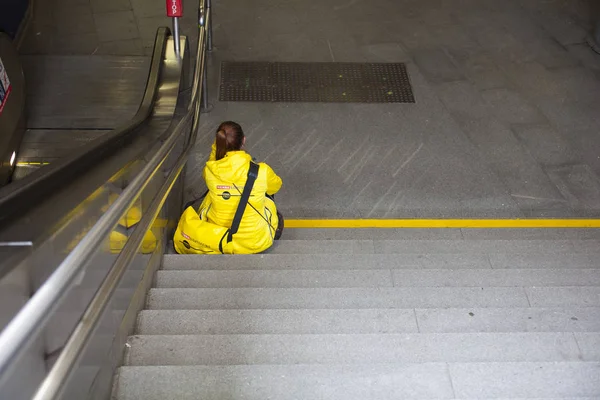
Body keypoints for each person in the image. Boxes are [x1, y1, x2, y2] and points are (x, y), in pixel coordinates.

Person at [174, 121, 283, 254]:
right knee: (265, 196)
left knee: (210, 197)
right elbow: (275, 187)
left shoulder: (210, 171)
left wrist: (217, 147)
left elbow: (212, 162)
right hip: (257, 241)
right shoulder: (262, 171)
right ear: (243, 140)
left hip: (221, 238)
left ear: (219, 142)